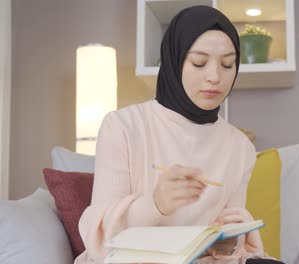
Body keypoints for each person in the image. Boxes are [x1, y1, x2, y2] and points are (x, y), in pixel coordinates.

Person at [75, 5, 283, 264]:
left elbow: (228, 245)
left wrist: (228, 242)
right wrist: (155, 204)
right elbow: (101, 243)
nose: (215, 77)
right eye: (199, 62)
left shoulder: (240, 147)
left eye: (228, 64)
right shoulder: (123, 126)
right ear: (175, 60)